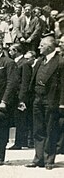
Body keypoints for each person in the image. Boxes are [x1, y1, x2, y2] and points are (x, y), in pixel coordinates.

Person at [25, 36, 63, 170]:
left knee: (50, 129)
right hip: (37, 98)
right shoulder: (40, 61)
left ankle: (49, 159)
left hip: (51, 99)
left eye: (41, 45)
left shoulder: (60, 62)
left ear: (49, 47)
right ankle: (38, 158)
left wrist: (62, 103)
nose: (39, 47)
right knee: (38, 129)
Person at [8, 44, 34, 150]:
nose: (9, 53)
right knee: (18, 119)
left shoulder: (24, 64)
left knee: (21, 119)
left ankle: (21, 142)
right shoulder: (15, 63)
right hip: (14, 95)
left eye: (11, 51)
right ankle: (20, 141)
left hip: (20, 96)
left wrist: (22, 98)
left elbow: (25, 82)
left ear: (16, 51)